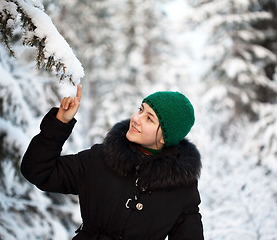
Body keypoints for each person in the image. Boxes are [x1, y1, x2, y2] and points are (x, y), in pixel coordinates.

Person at [21, 84, 204, 240]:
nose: (136, 119)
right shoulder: (102, 157)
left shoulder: (181, 186)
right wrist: (59, 124)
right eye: (141, 110)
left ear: (166, 137)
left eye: (149, 118)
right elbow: (37, 171)